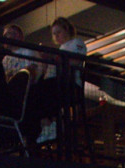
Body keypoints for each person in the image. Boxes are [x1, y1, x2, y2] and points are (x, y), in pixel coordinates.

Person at [33, 16, 88, 144]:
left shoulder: (76, 43)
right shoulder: (61, 49)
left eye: (59, 32)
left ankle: (52, 123)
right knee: (35, 91)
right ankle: (47, 124)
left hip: (70, 83)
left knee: (44, 89)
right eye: (54, 34)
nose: (56, 36)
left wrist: (53, 56)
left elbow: (74, 60)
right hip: (57, 82)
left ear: (67, 30)